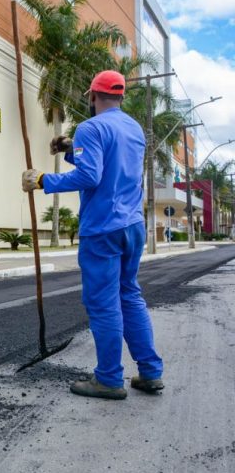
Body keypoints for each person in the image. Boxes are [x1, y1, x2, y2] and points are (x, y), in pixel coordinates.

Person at [22, 70, 164, 400]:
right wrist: (73, 149)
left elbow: (90, 176)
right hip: (132, 227)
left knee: (103, 304)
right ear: (120, 97)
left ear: (92, 96)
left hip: (103, 229)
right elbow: (113, 165)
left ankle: (110, 378)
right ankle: (150, 372)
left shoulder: (90, 127)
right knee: (129, 294)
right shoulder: (133, 128)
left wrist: (43, 180)